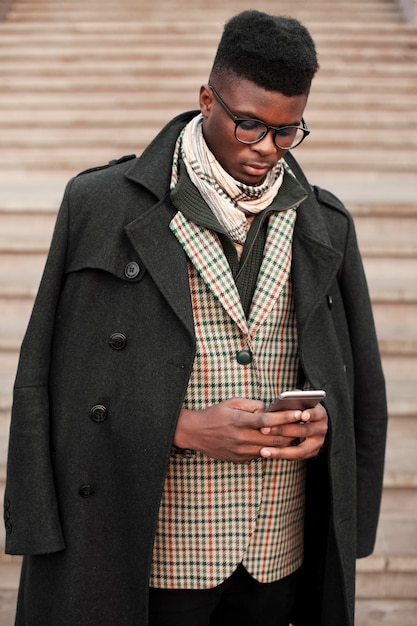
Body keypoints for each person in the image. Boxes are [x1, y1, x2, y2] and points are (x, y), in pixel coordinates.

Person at [4, 10, 387, 626]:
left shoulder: (325, 222)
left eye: (288, 131)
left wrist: (323, 427)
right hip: (150, 552)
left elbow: (361, 382)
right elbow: (49, 383)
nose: (267, 148)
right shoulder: (97, 206)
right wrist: (179, 426)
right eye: (249, 124)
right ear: (207, 99)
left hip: (276, 553)